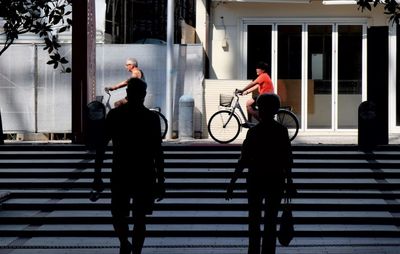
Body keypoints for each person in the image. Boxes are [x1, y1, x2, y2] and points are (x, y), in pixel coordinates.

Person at [92, 77, 165, 254]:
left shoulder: (115, 115)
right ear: (144, 95)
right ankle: (136, 251)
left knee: (118, 213)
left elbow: (102, 146)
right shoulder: (151, 118)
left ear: (127, 93)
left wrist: (97, 175)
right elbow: (157, 152)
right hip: (144, 172)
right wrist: (161, 180)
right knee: (140, 218)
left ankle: (124, 242)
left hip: (120, 170)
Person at [226, 93, 294, 254]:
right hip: (276, 180)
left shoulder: (253, 133)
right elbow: (287, 159)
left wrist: (232, 182)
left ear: (260, 111)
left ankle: (254, 251)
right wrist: (290, 181)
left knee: (254, 220)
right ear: (276, 110)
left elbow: (243, 160)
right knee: (271, 221)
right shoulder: (281, 132)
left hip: (255, 180)